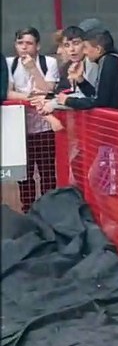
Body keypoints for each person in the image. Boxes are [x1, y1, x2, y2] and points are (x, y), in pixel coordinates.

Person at [7, 27, 60, 211]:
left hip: (44, 127)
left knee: (47, 172)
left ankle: (49, 208)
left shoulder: (49, 63)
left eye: (29, 43)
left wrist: (32, 68)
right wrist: (29, 97)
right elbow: (8, 92)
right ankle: (28, 209)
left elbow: (48, 90)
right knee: (25, 174)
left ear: (37, 46)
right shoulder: (9, 63)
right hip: (19, 128)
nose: (24, 47)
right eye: (20, 43)